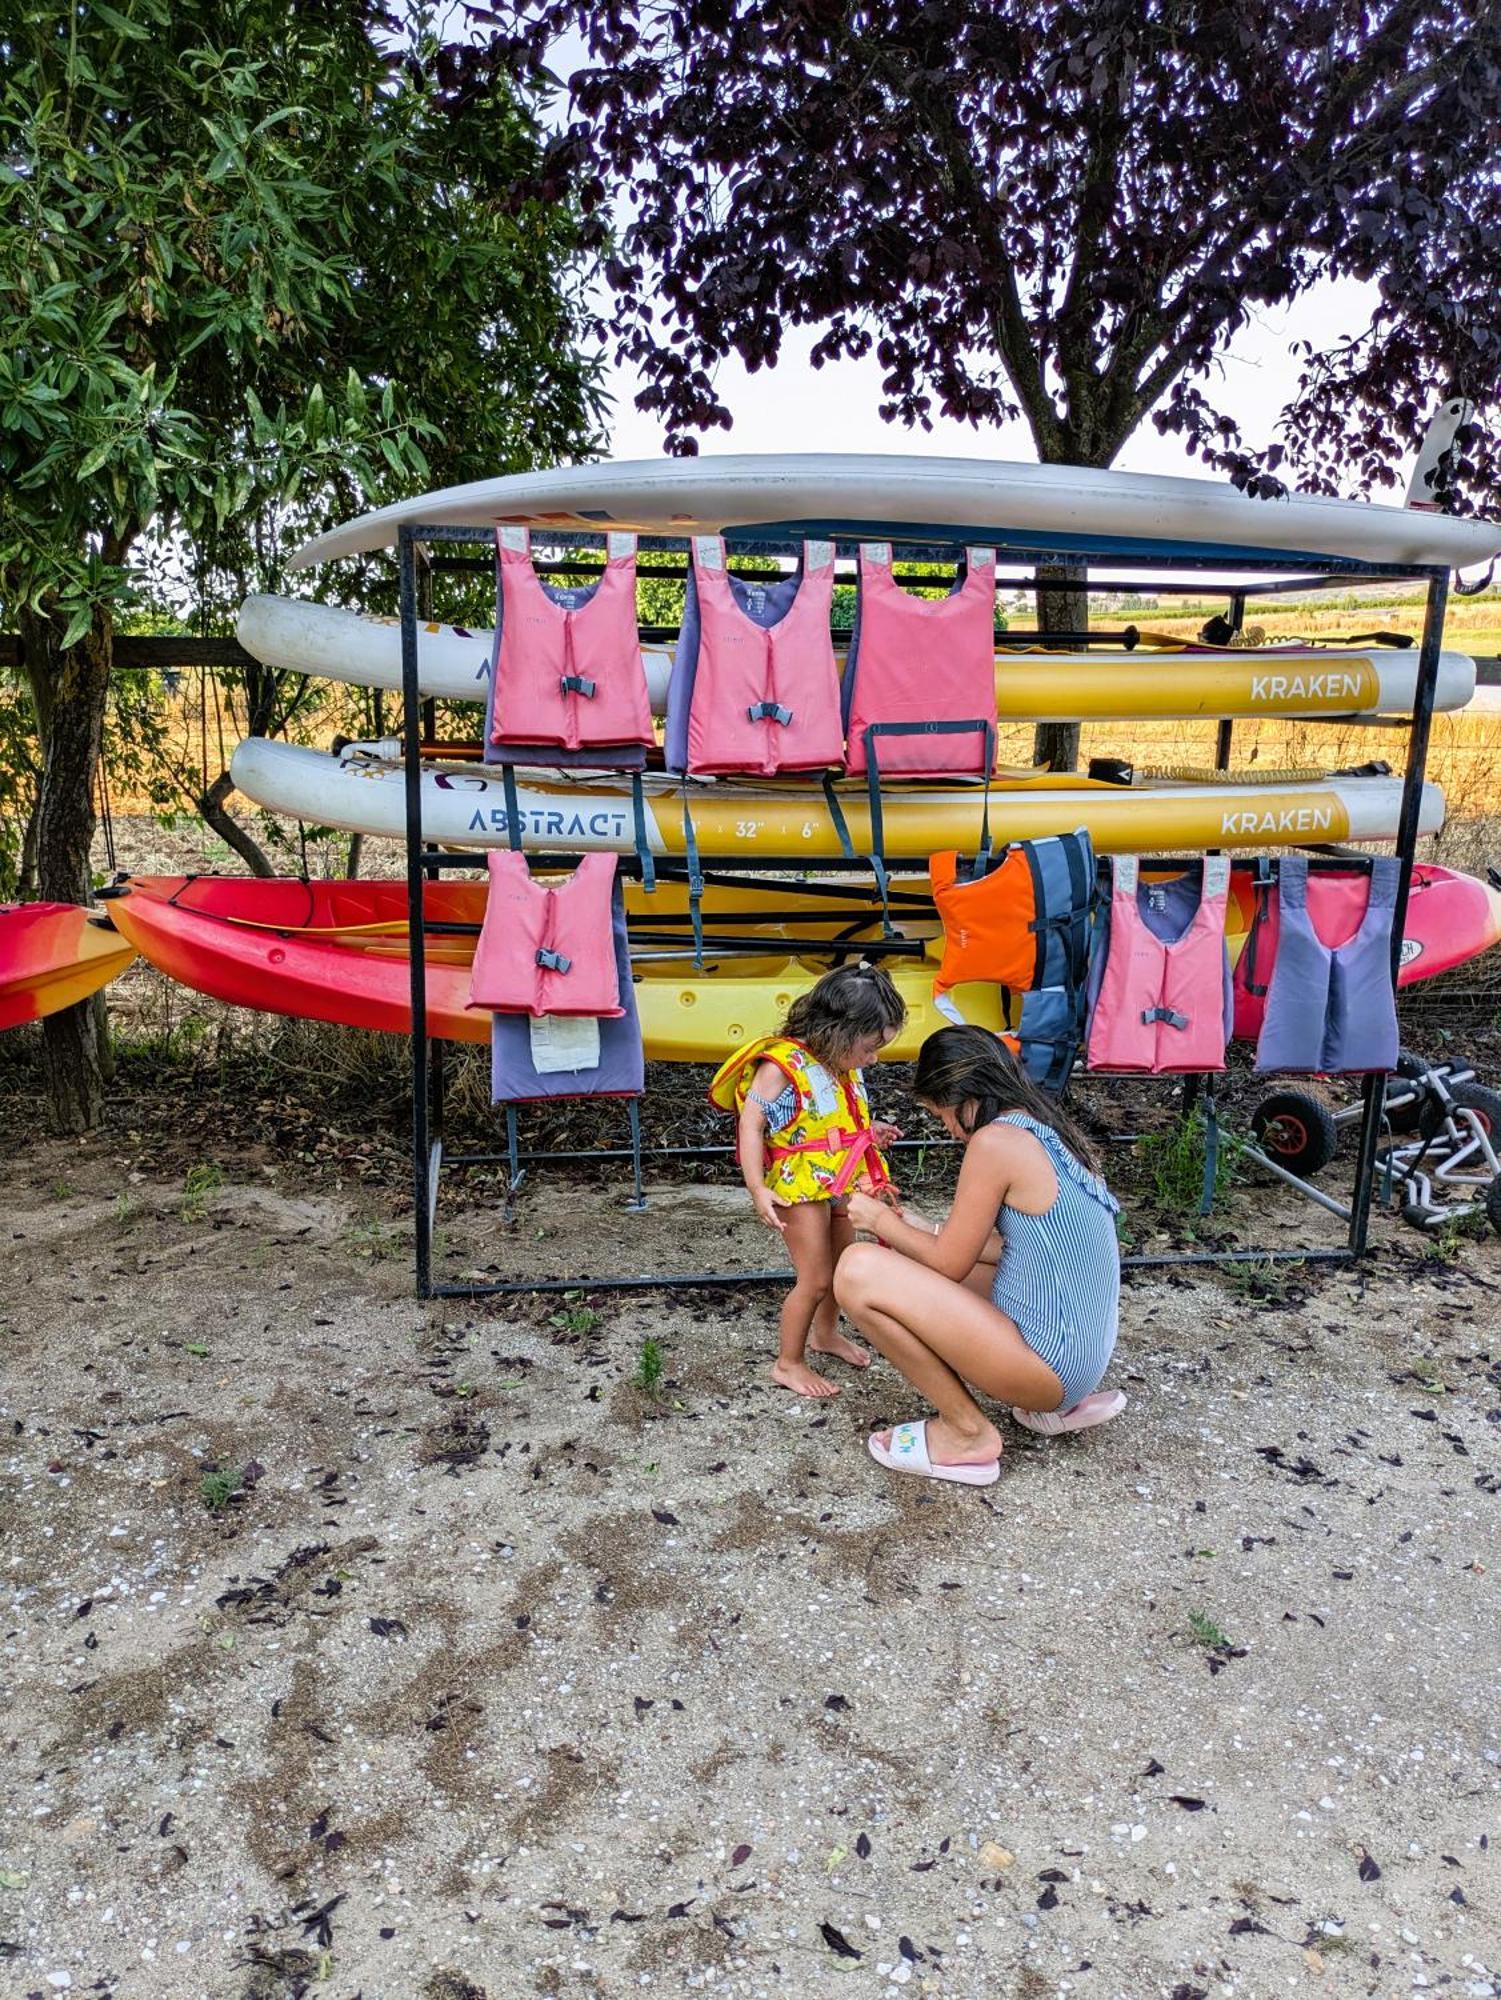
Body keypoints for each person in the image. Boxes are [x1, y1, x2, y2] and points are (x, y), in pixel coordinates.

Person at [837, 1024, 1125, 1485]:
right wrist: (920, 1228)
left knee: (857, 1271)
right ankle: (1049, 1408)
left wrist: (880, 1222)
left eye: (942, 1116)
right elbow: (1029, 1246)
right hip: (1078, 1361)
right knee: (911, 1261)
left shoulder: (994, 1143)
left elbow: (951, 1264)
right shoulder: (1045, 1129)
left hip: (1050, 1366)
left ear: (958, 1095)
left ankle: (966, 1432)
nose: (949, 1130)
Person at [710, 964, 906, 1398]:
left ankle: (825, 1335)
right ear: (838, 1030)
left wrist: (868, 1135)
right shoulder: (782, 1066)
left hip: (839, 1179)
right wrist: (758, 1187)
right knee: (814, 1278)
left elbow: (823, 1120)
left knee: (840, 1268)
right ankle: (788, 1363)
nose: (874, 1058)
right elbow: (750, 1124)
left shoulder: (840, 1060)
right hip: (799, 1188)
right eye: (872, 1047)